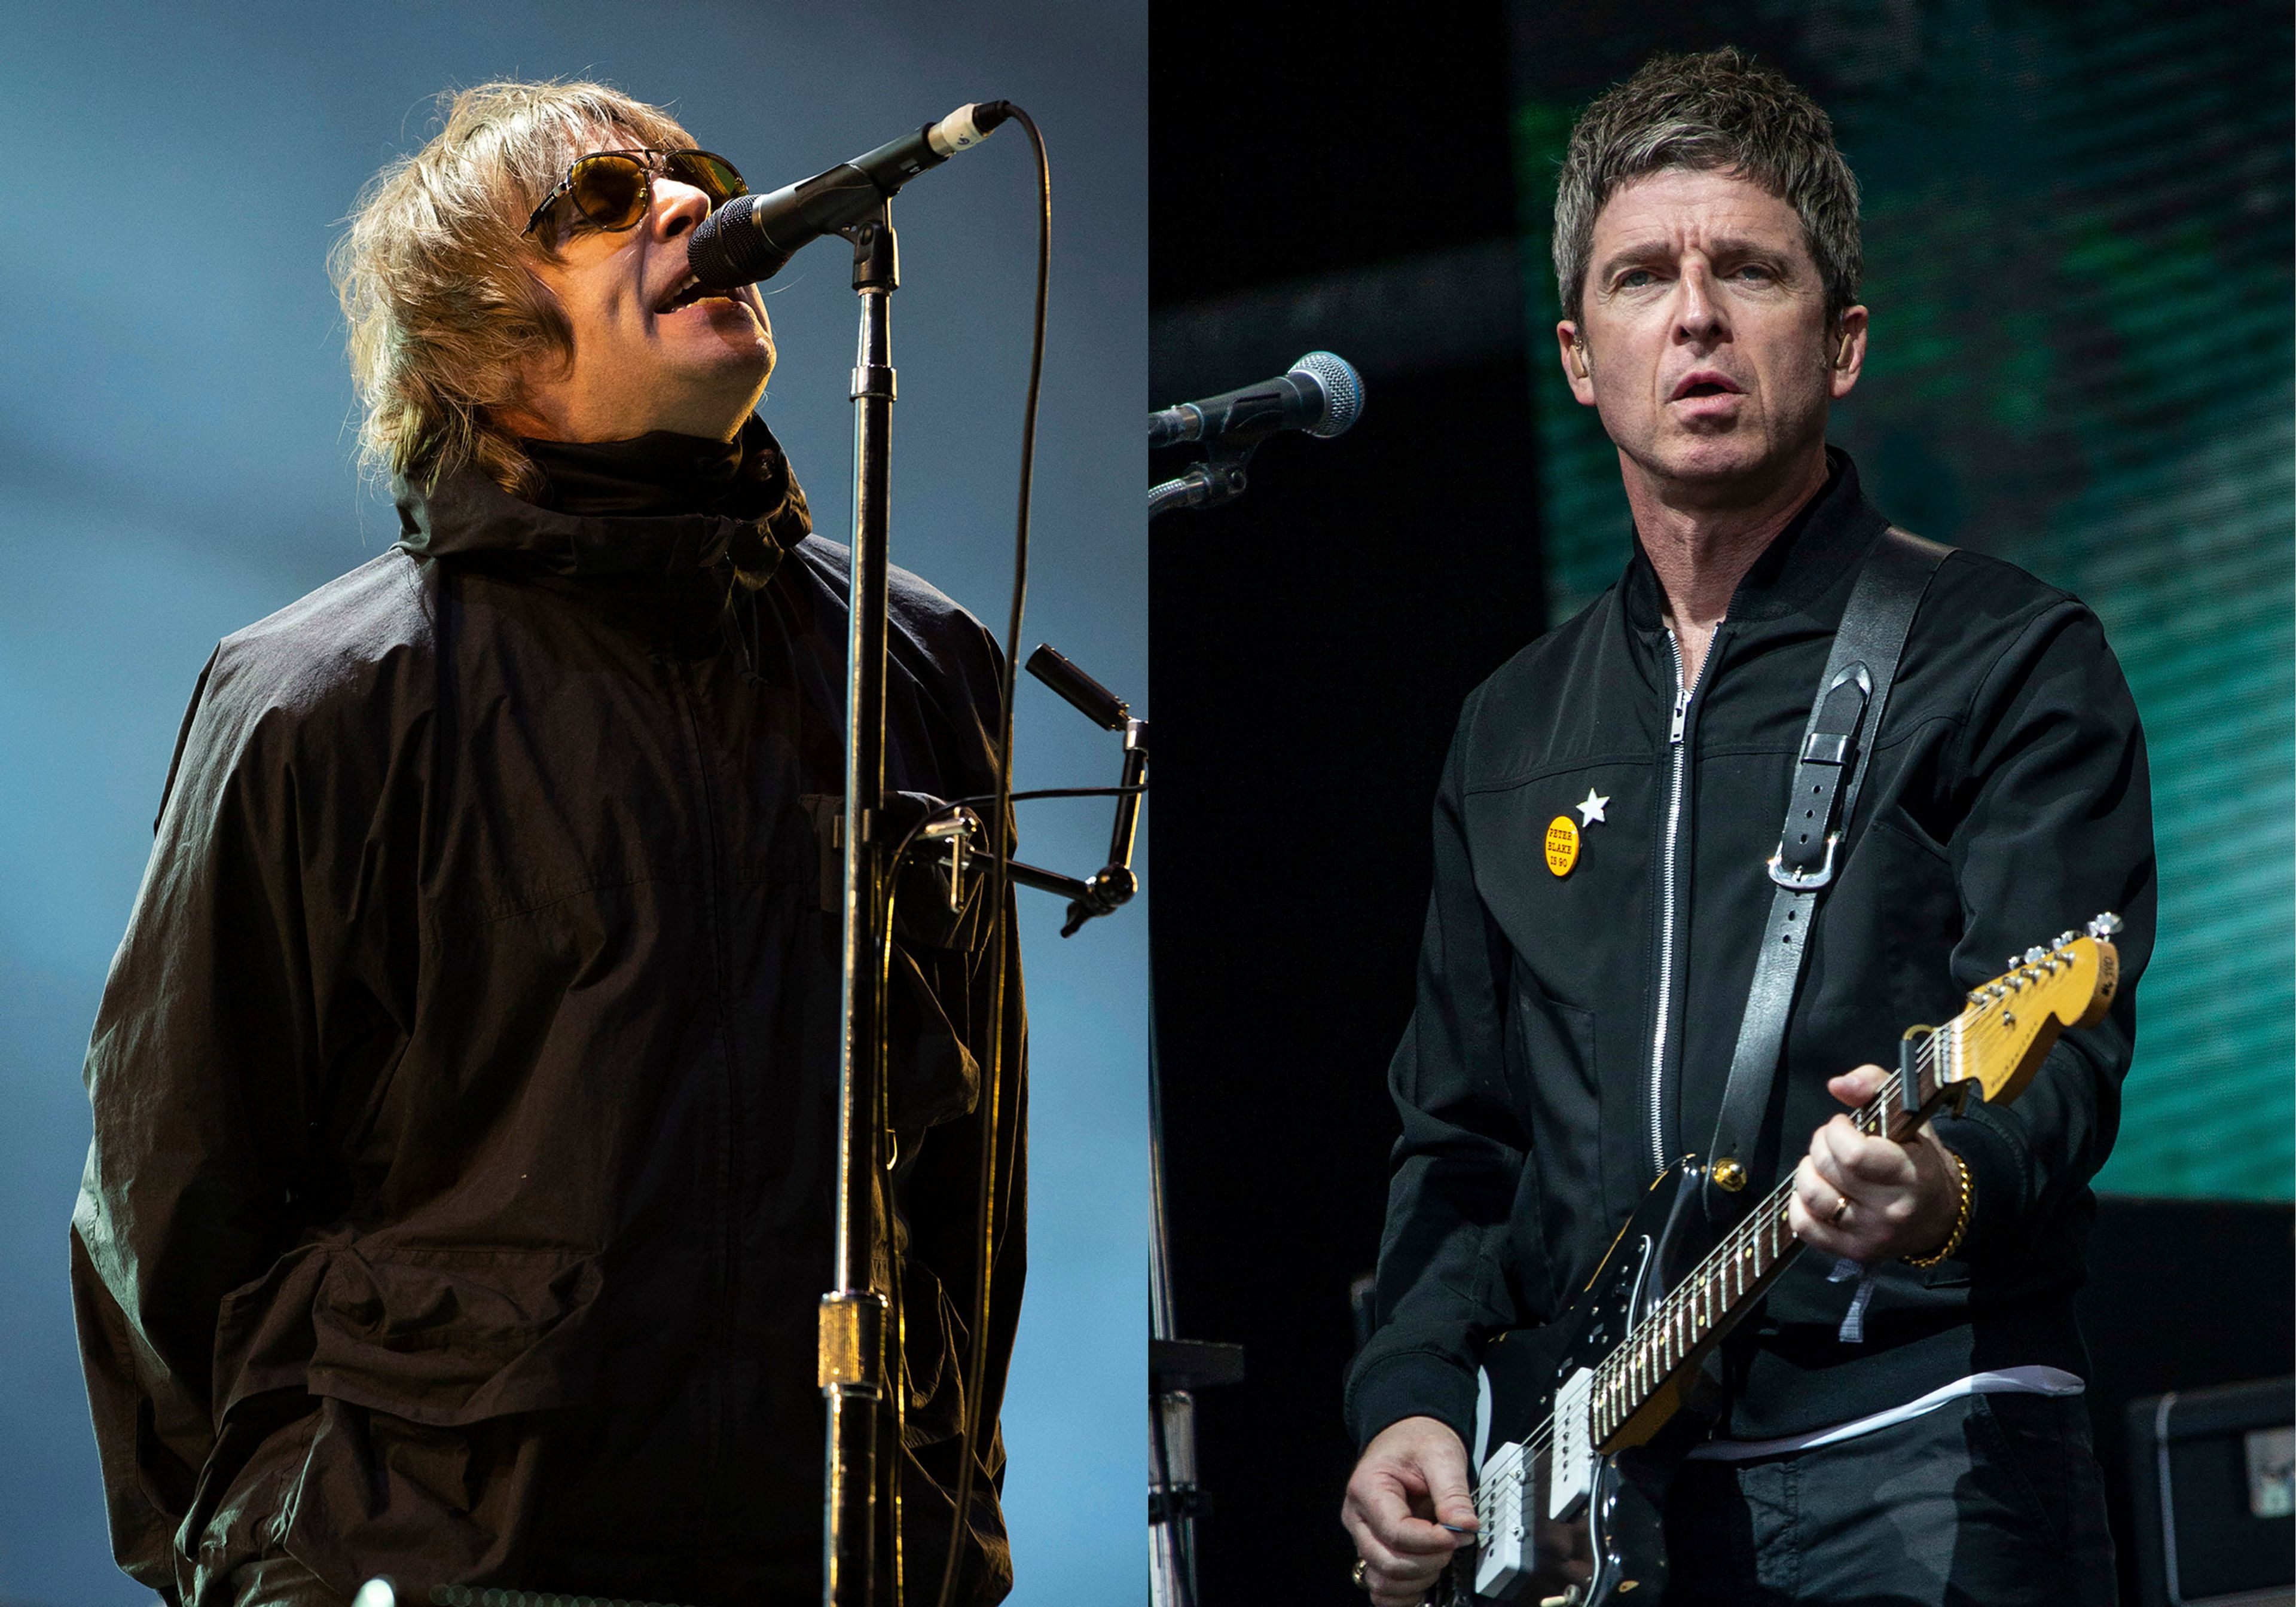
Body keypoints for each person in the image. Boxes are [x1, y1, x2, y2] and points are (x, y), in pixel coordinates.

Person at [69, 80, 1024, 1606]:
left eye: (690, 173)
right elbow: (173, 1204)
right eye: (597, 201)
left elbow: (974, 1184)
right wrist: (278, 1565)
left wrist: (947, 1524)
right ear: (481, 347)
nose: (689, 206)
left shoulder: (919, 665)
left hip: (836, 1561)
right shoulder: (318, 699)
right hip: (446, 1566)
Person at [1341, 47, 2151, 1606]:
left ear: (1840, 340)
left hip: (1929, 1438)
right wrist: (1414, 1398)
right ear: (1581, 356)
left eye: (1749, 272)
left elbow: (2063, 1047)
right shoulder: (1512, 729)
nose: (1696, 315)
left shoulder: (2010, 655)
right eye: (1645, 276)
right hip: (1610, 1501)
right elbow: (1460, 1139)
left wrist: (1943, 1182)